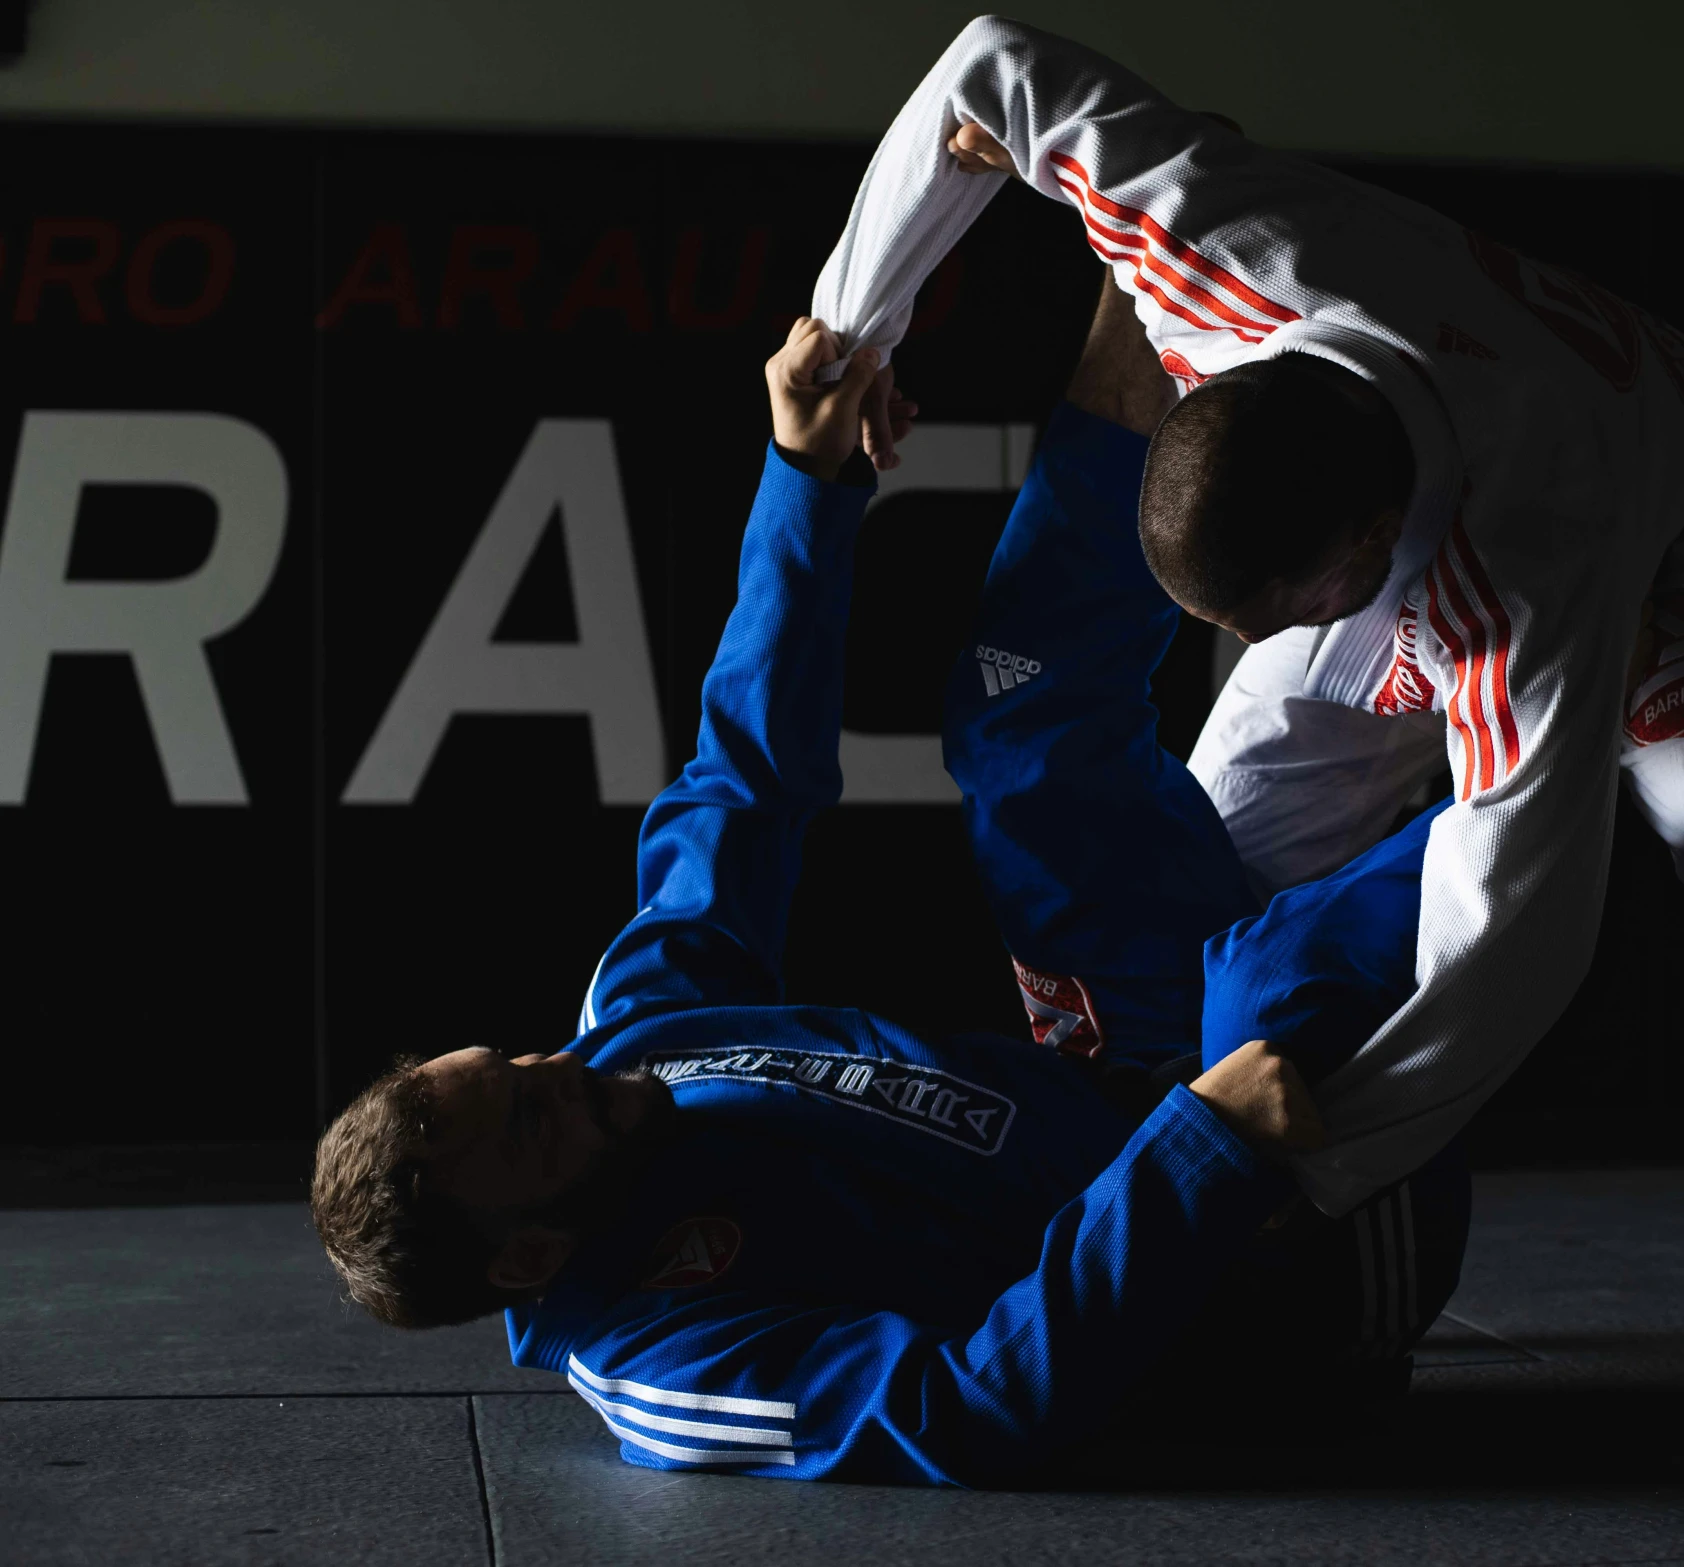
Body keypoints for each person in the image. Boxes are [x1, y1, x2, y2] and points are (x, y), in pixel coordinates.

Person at [808, 16, 1684, 1471]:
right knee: (1237, 875)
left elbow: (1511, 957)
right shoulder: (1216, 253)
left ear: (1353, 554)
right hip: (1425, 439)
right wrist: (857, 326)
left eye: (1285, 614)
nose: (1266, 642)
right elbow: (988, 63)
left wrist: (1296, 1162)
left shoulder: (1539, 579)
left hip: (1663, 521)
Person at [307, 278, 1469, 1486]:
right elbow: (979, 1404)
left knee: (1015, 718)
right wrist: (1203, 1152)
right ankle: (1578, 725)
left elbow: (740, 789)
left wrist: (803, 484)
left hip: (1135, 1081)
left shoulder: (625, 1043)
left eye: (514, 1060)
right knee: (1271, 975)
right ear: (524, 1258)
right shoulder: (669, 1361)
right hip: (1274, 1250)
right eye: (534, 1115)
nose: (558, 1069)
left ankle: (1151, 294)